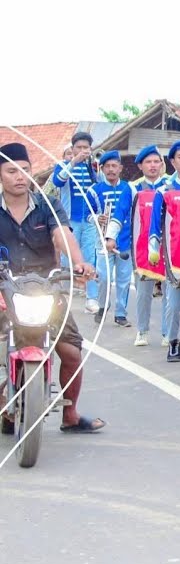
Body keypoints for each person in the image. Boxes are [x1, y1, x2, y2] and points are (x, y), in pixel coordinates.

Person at [0, 143, 105, 434]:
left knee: (71, 352)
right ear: (0, 176)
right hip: (4, 289)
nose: (20, 176)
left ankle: (70, 414)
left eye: (25, 170)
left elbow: (63, 236)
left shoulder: (48, 205)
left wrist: (80, 263)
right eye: (11, 171)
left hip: (45, 288)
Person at [105, 145, 168, 345]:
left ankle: (169, 334)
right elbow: (119, 214)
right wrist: (110, 237)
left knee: (170, 293)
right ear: (140, 166)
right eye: (148, 162)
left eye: (156, 161)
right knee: (143, 293)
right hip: (141, 249)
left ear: (162, 164)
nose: (153, 166)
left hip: (168, 248)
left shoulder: (170, 185)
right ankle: (142, 331)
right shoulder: (132, 188)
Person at [148, 141, 180, 358]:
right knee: (174, 303)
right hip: (175, 255)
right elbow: (155, 224)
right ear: (172, 161)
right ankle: (172, 340)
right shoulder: (164, 190)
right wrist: (153, 248)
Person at [51, 132, 100, 315]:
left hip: (88, 220)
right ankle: (64, 297)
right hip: (69, 220)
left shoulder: (92, 169)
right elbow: (58, 180)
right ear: (72, 149)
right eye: (79, 148)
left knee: (90, 257)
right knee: (67, 259)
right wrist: (73, 162)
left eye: (85, 148)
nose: (82, 151)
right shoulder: (63, 165)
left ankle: (92, 298)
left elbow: (98, 189)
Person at [88, 150, 131, 326]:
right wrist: (96, 218)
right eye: (107, 166)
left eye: (115, 166)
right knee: (104, 277)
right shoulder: (93, 190)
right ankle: (103, 304)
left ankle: (120, 313)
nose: (111, 170)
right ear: (102, 168)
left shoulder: (129, 188)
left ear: (120, 168)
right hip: (102, 241)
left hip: (124, 240)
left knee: (124, 279)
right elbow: (87, 215)